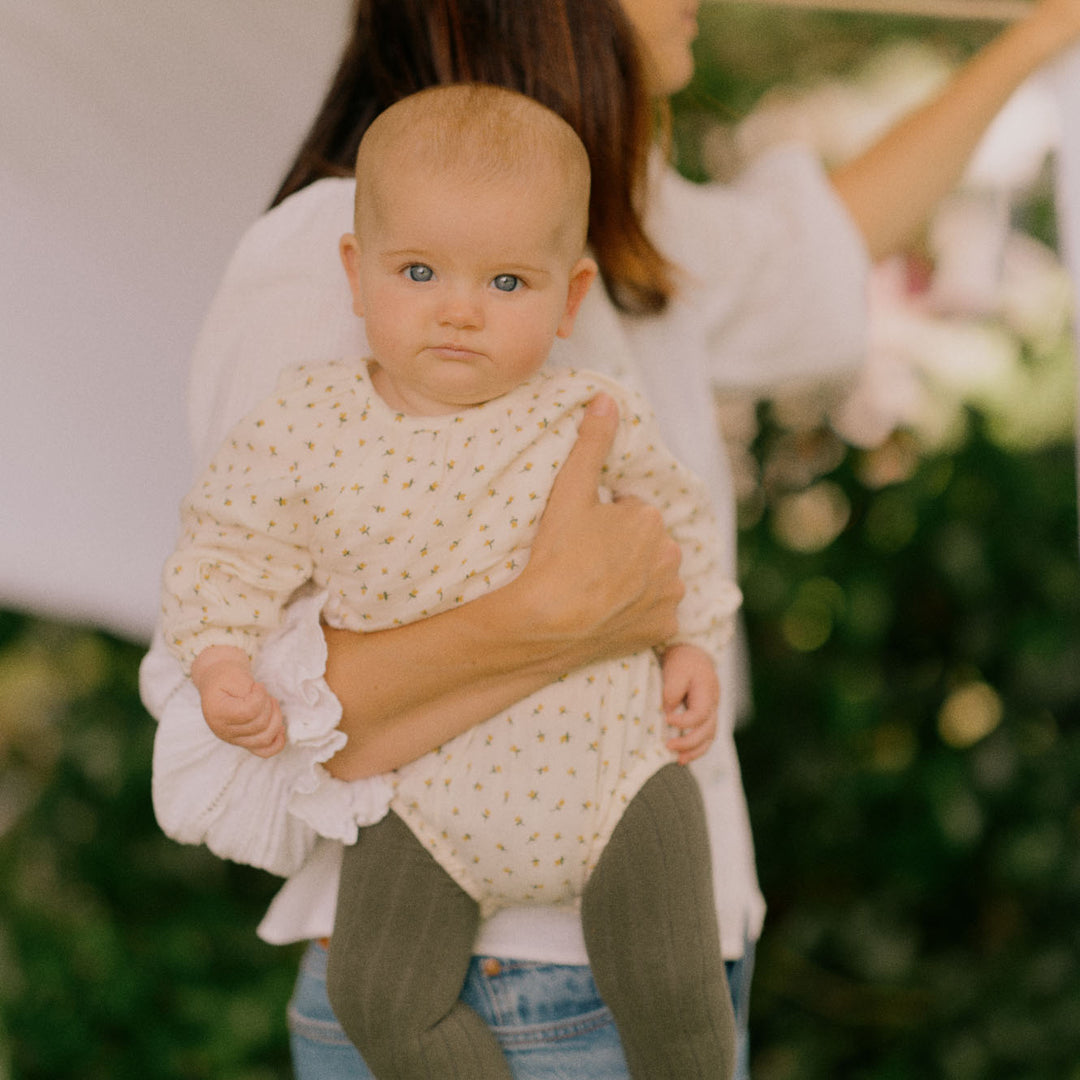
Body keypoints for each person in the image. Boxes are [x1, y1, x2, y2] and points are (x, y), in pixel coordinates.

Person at [139, 1, 1080, 1077]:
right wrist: (549, 619)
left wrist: (1038, 36)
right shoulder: (328, 254)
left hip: (664, 941)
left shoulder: (611, 220)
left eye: (506, 285)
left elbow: (819, 244)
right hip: (501, 984)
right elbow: (231, 707)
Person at [160, 82, 742, 1079]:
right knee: (380, 998)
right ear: (357, 273)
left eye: (507, 284)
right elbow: (227, 548)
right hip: (425, 806)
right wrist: (220, 661)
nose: (460, 311)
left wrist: (695, 639)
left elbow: (678, 522)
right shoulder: (308, 425)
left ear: (569, 299)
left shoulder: (589, 410)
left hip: (618, 772)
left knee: (678, 1003)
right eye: (420, 271)